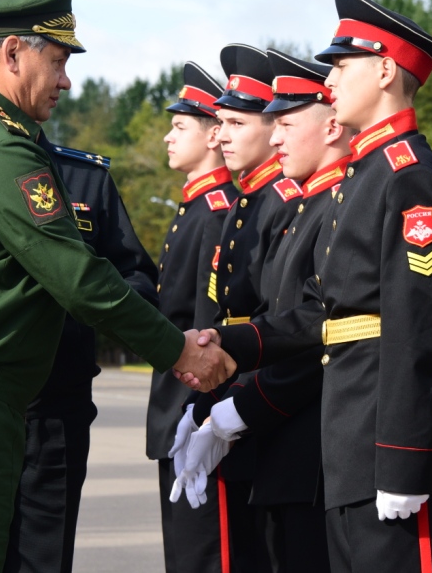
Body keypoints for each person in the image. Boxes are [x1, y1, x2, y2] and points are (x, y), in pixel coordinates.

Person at [0, 0, 231, 573]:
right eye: (57, 61)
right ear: (13, 53)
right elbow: (80, 279)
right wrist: (179, 351)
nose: (66, 80)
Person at [201, 0, 432, 573]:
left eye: (345, 65)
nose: (333, 79)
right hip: (347, 437)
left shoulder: (406, 175)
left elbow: (416, 327)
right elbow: (326, 313)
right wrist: (233, 341)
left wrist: (404, 457)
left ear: (388, 72)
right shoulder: (364, 175)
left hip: (380, 442)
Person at [184, 49, 352, 572]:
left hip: (311, 439)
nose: (276, 136)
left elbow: (322, 332)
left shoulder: (332, 205)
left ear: (330, 126)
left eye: (285, 122)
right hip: (281, 435)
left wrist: (239, 410)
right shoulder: (306, 207)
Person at [172, 43, 304, 572]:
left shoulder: (281, 203)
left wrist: (230, 412)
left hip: (265, 414)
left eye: (233, 122)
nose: (219, 134)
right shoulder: (248, 203)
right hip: (236, 402)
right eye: (218, 122)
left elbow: (285, 325)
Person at [146, 61, 237, 573]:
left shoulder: (217, 212)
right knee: (184, 552)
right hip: (177, 407)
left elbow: (207, 323)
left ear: (213, 136)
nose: (166, 137)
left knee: (207, 554)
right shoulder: (195, 209)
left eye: (180, 127)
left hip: (194, 406)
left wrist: (202, 415)